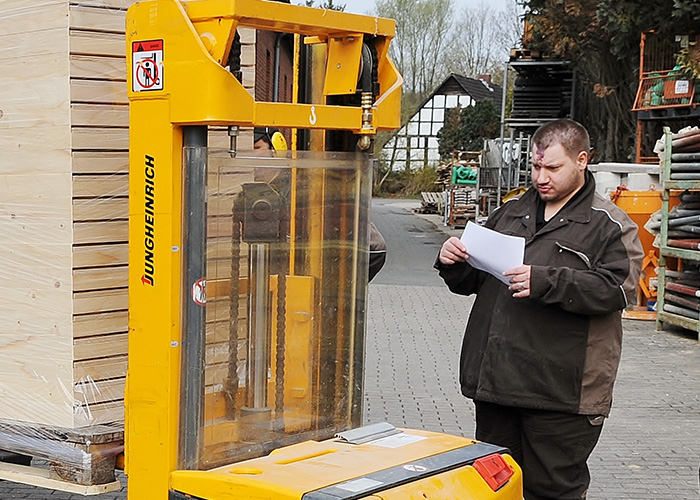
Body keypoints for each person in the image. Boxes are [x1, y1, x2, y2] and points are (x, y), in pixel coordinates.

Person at [435, 119, 643, 500]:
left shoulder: (609, 225)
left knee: (553, 492)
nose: (541, 177)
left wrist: (549, 281)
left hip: (562, 394)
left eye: (552, 168)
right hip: (498, 386)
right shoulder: (510, 213)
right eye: (535, 167)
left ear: (582, 160)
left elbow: (619, 289)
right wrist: (454, 262)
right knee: (496, 489)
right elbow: (473, 282)